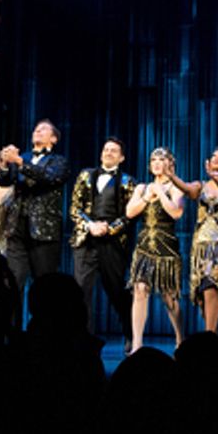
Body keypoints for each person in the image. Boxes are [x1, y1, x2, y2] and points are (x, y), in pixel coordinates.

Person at [70, 136, 137, 349]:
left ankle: (129, 331)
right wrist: (90, 225)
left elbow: (130, 216)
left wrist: (110, 228)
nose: (108, 153)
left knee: (116, 290)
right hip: (86, 239)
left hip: (113, 243)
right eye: (106, 149)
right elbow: (74, 208)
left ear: (122, 157)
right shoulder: (85, 175)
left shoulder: (128, 181)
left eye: (114, 151)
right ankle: (84, 339)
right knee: (81, 291)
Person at [172, 146, 218, 333]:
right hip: (201, 246)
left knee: (213, 287)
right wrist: (171, 176)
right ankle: (209, 334)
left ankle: (209, 335)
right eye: (213, 155)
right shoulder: (202, 185)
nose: (216, 157)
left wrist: (216, 176)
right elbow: (188, 190)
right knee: (204, 290)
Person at [0, 120, 70, 298]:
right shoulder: (25, 157)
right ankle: (9, 324)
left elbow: (49, 177)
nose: (37, 131)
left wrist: (20, 162)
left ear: (53, 139)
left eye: (43, 129)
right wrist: (6, 164)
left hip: (43, 230)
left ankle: (45, 325)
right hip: (17, 228)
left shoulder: (59, 161)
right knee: (13, 282)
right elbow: (3, 181)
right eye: (36, 129)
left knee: (44, 285)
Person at [126, 147, 186, 353]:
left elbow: (176, 212)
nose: (157, 163)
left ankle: (180, 337)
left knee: (169, 297)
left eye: (162, 159)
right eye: (153, 159)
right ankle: (137, 343)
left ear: (171, 163)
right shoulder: (142, 187)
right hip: (144, 246)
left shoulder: (175, 187)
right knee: (140, 290)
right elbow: (130, 212)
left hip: (166, 247)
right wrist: (146, 196)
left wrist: (160, 191)